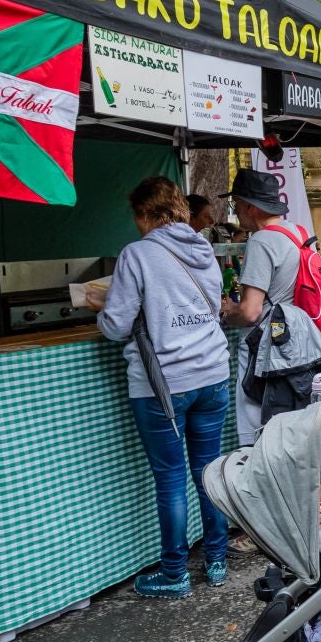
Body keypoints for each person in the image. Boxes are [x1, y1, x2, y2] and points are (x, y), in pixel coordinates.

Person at [92, 178, 234, 599]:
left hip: (164, 383)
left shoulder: (137, 255)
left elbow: (117, 326)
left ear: (146, 214)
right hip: (213, 373)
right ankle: (217, 560)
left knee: (171, 477)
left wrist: (98, 311)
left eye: (137, 216)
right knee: (208, 470)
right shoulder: (203, 248)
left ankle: (174, 573)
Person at [221, 167, 321, 444]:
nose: (236, 211)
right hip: (298, 345)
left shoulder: (262, 241)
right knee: (289, 431)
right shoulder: (299, 233)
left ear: (250, 206)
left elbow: (250, 311)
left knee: (259, 433)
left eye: (236, 205)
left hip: (264, 350)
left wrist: (228, 310)